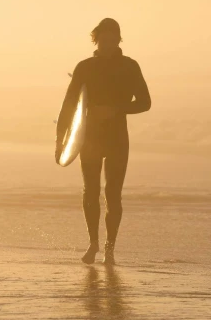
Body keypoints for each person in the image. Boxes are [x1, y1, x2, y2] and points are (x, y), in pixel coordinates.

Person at [55, 18, 151, 265]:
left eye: (112, 40)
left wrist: (116, 109)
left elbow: (145, 102)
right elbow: (69, 105)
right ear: (95, 40)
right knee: (90, 192)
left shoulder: (130, 67)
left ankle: (110, 248)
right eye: (102, 40)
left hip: (118, 138)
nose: (107, 45)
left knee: (113, 194)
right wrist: (60, 141)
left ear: (119, 40)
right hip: (89, 138)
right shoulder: (85, 67)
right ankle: (93, 244)